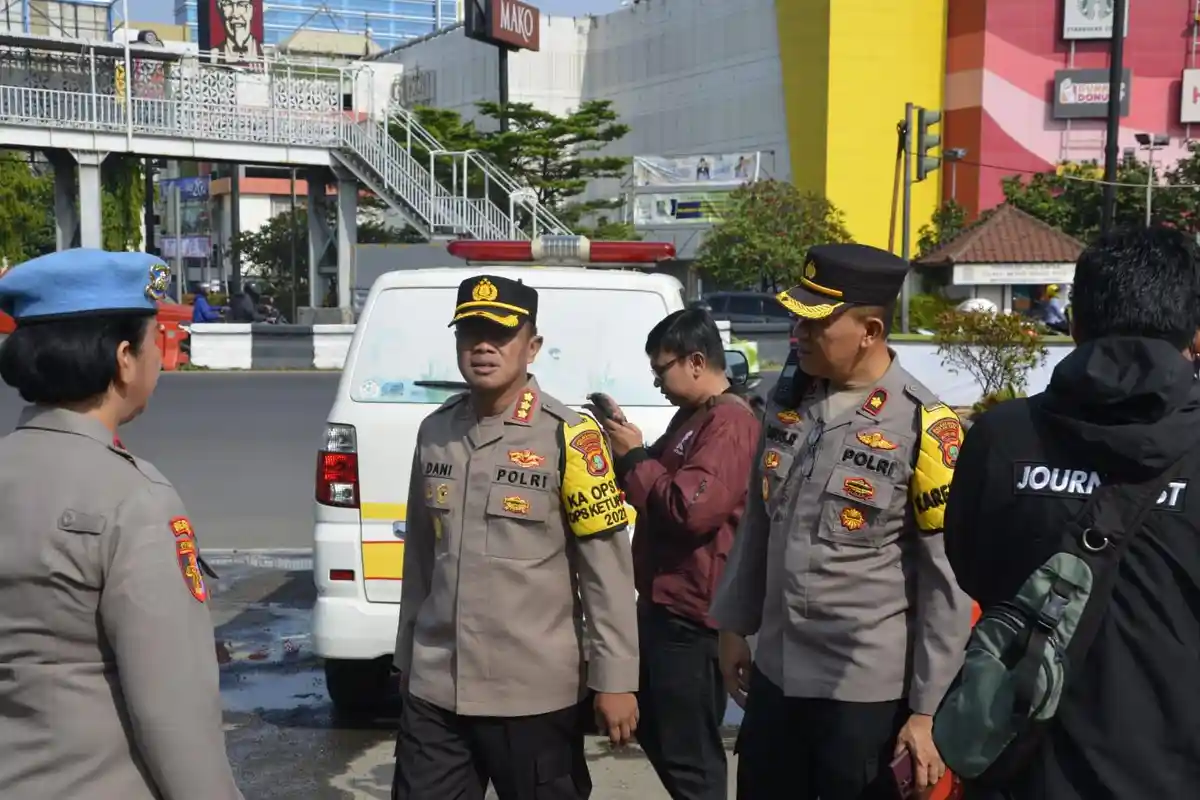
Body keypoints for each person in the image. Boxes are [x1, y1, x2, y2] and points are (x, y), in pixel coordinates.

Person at [943, 226, 1200, 800]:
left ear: (1075, 323)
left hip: (1018, 763)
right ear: (1195, 334)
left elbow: (974, 571)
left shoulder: (1001, 439)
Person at [710, 243, 973, 800]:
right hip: (777, 677)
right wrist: (734, 626)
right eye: (796, 318)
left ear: (871, 331)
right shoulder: (785, 405)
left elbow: (945, 584)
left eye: (815, 322)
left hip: (862, 694)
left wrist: (926, 712)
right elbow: (757, 523)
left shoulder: (927, 427)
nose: (797, 334)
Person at [0, 249, 242, 799]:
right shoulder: (135, 499)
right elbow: (174, 715)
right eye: (157, 340)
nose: (162, 356)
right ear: (124, 357)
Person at [391, 274, 640, 800]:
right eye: (470, 333)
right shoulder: (436, 431)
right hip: (437, 688)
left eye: (500, 334)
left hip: (533, 695)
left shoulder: (569, 435)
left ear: (532, 347)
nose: (483, 346)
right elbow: (420, 557)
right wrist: (406, 659)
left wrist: (615, 677)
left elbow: (606, 570)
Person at [590, 309, 761, 800]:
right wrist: (626, 448)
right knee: (658, 732)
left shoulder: (729, 421)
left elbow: (690, 509)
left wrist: (635, 458)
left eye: (660, 370)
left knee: (691, 760)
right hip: (669, 606)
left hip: (694, 617)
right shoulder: (695, 417)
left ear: (695, 361)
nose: (658, 382)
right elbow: (655, 486)